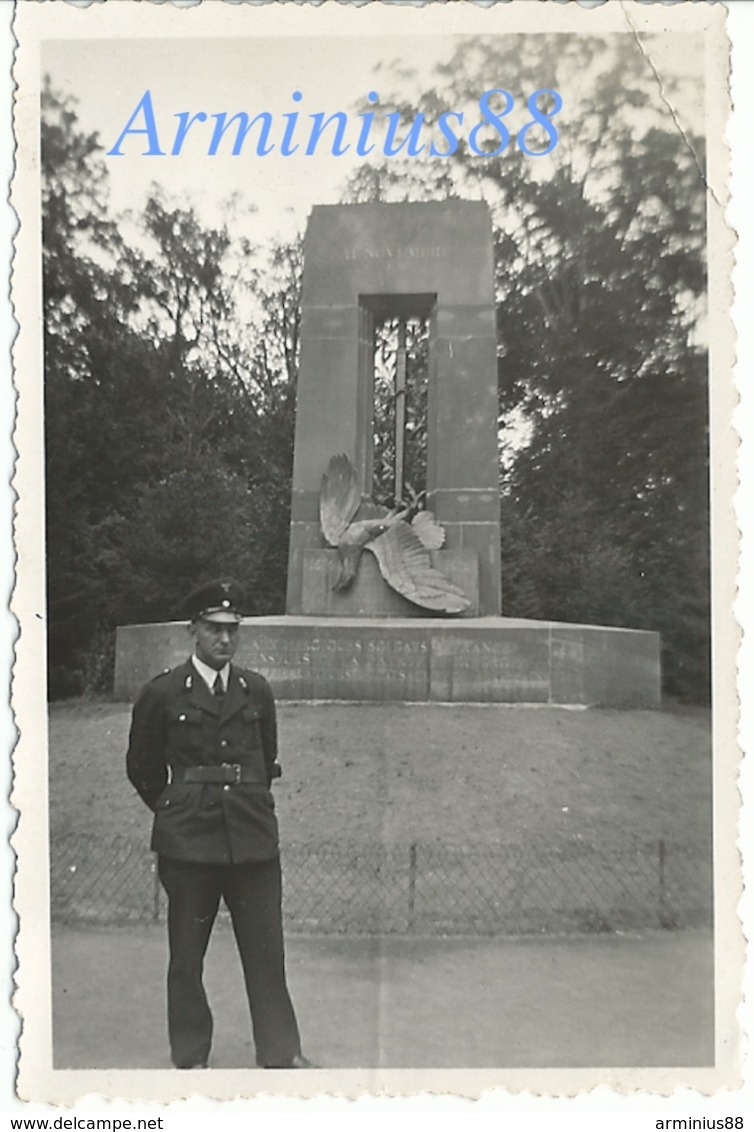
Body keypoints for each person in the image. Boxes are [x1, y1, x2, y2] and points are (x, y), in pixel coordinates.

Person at [126, 578, 313, 1070]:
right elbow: (141, 766)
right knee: (187, 959)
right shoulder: (164, 692)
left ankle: (280, 1053)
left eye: (232, 629)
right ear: (194, 631)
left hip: (252, 842)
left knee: (267, 954)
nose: (224, 639)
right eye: (214, 629)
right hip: (189, 846)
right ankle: (190, 1058)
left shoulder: (257, 690)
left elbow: (265, 758)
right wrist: (174, 808)